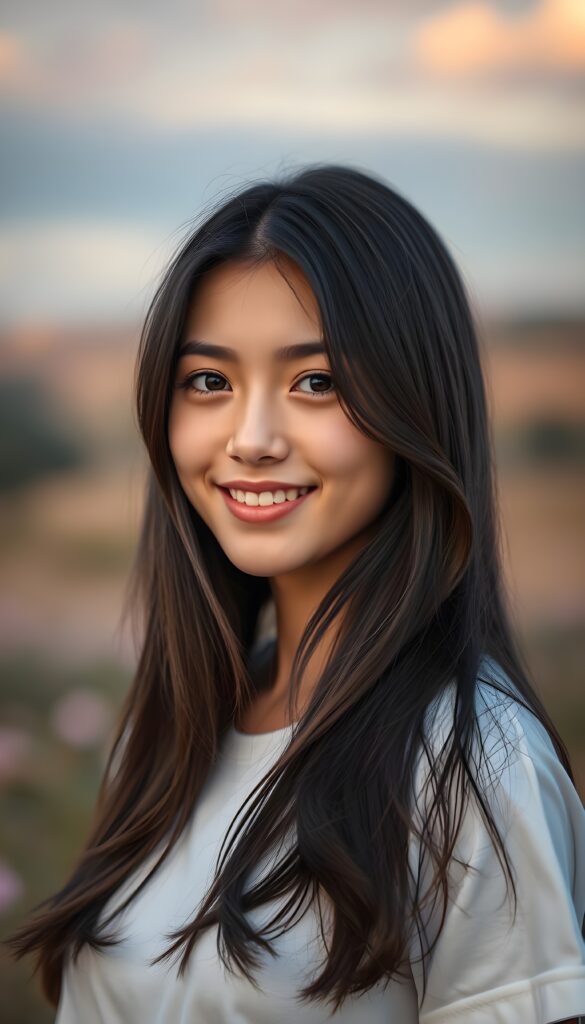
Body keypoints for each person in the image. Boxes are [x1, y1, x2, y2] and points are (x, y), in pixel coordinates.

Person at [6, 164, 585, 1022]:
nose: (251, 439)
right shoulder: (166, 733)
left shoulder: (473, 768)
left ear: (416, 407)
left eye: (316, 381)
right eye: (209, 382)